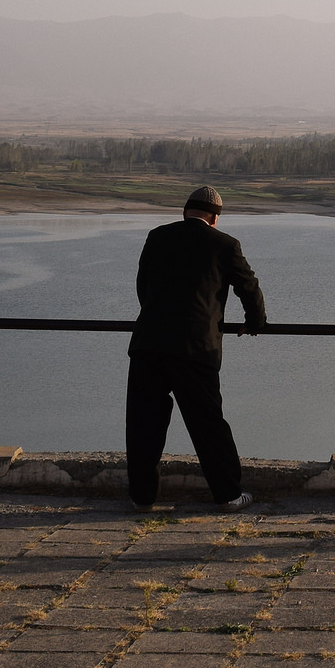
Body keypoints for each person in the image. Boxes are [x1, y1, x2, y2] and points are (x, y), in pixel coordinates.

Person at [126, 186, 267, 512]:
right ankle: (229, 494)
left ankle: (142, 498)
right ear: (215, 218)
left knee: (143, 423)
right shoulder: (225, 244)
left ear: (185, 211)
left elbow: (142, 286)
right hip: (196, 348)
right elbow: (249, 286)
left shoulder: (157, 236)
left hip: (148, 344)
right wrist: (255, 322)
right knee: (207, 424)